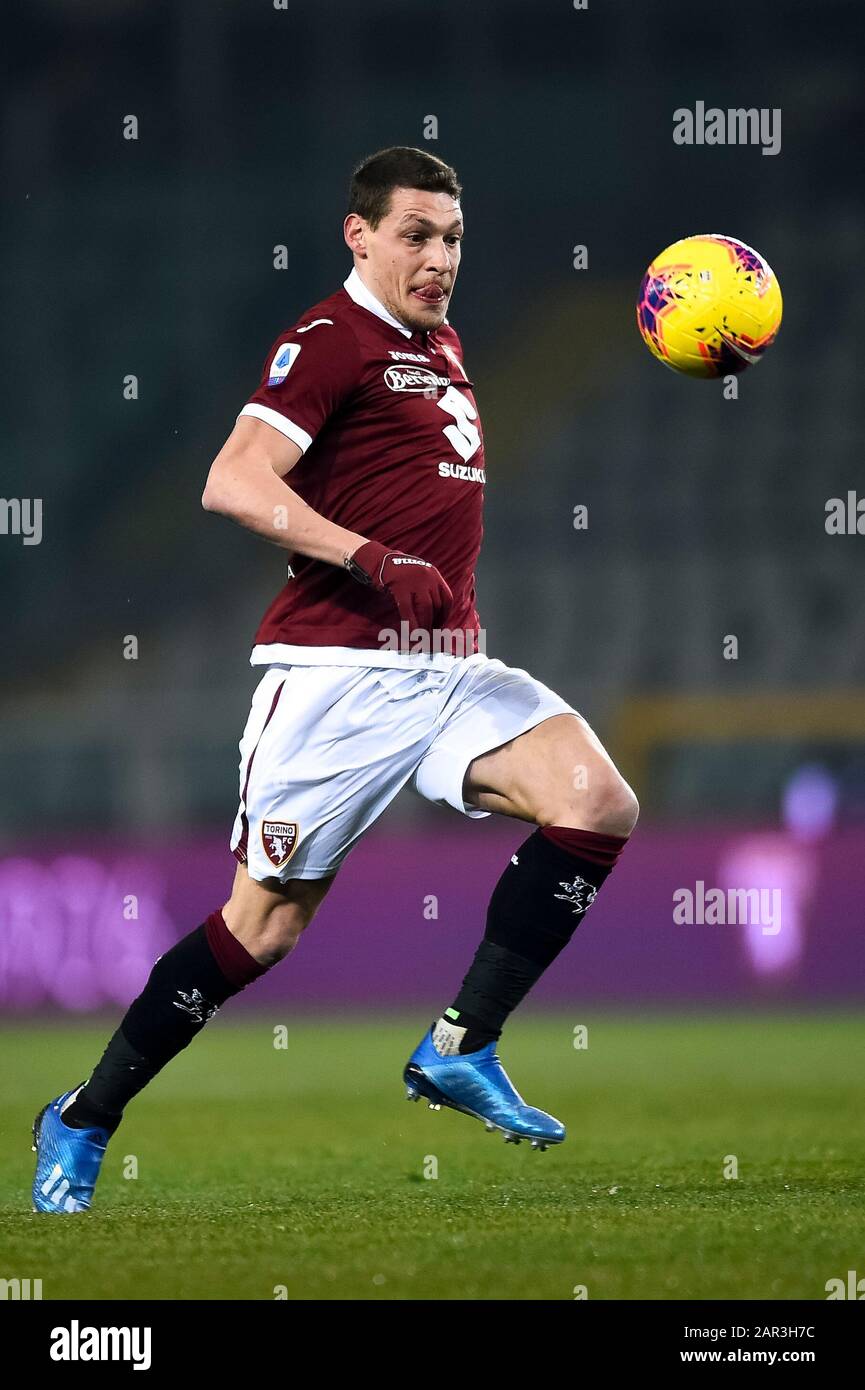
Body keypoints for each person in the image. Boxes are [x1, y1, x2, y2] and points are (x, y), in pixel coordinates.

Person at [32, 146, 637, 1212]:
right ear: (357, 235)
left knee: (595, 802)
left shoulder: (440, 344)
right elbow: (230, 480)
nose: (438, 256)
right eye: (414, 233)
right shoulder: (327, 340)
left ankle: (459, 1045)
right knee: (259, 931)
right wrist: (363, 554)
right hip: (334, 677)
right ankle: (84, 1114)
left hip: (448, 666)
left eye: (451, 237)